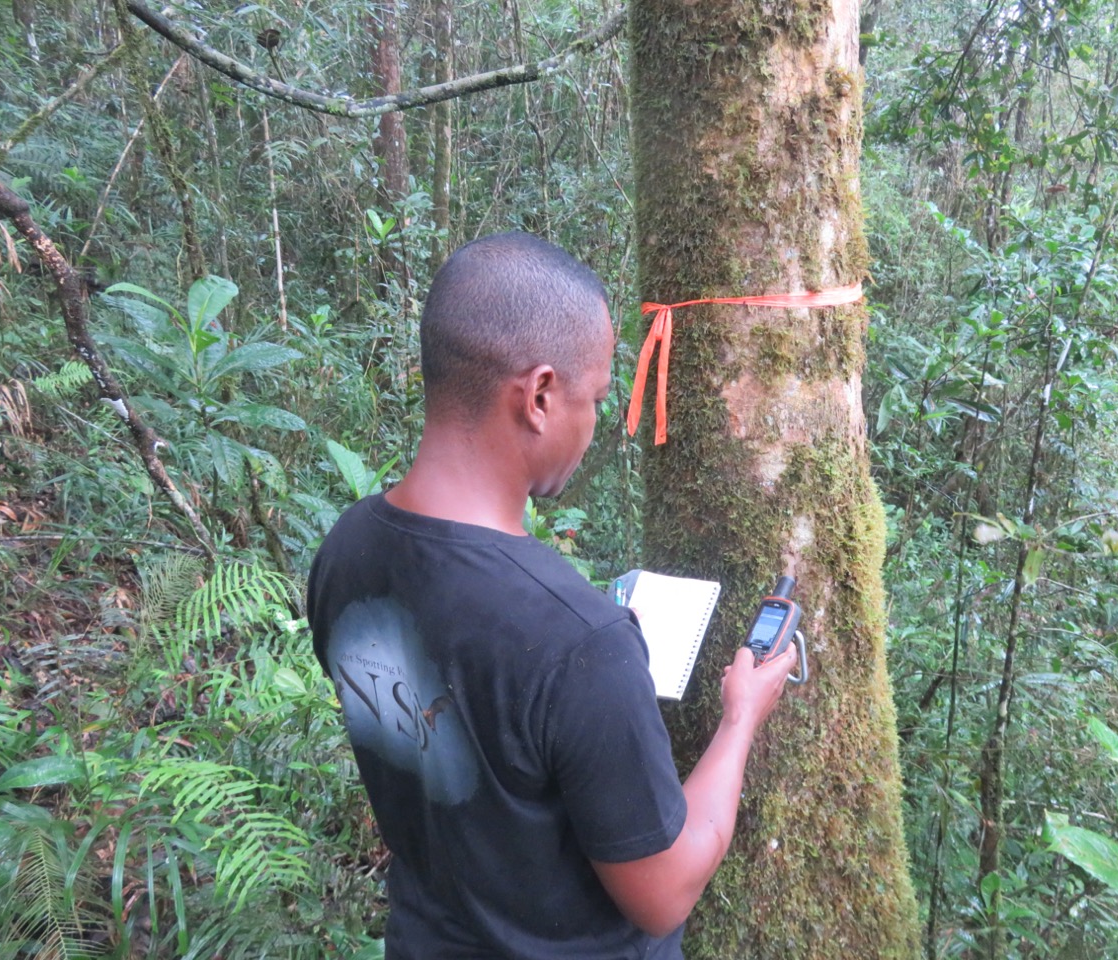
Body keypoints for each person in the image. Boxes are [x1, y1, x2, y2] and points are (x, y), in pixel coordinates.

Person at [307, 232, 796, 960]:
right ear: (538, 396)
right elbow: (662, 893)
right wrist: (740, 720)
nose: (595, 422)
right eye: (596, 397)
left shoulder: (345, 550)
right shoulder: (583, 644)